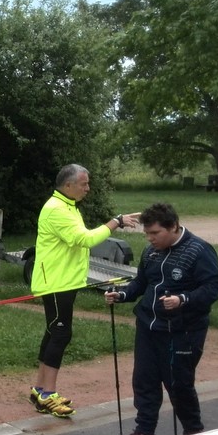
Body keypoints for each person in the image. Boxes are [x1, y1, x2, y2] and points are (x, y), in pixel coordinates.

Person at [105, 203, 218, 435]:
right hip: (149, 326)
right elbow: (141, 283)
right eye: (147, 234)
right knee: (144, 381)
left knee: (179, 384)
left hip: (183, 331)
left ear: (173, 227)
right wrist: (123, 295)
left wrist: (183, 300)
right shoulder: (151, 253)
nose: (150, 239)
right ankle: (145, 432)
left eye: (155, 233)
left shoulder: (199, 250)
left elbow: (213, 287)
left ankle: (194, 433)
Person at [30, 164, 141, 418]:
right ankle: (48, 393)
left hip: (64, 281)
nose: (88, 188)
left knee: (54, 332)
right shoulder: (57, 209)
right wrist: (116, 222)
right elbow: (86, 239)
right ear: (68, 185)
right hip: (57, 283)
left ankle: (39, 389)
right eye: (84, 183)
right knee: (60, 333)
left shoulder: (67, 205)